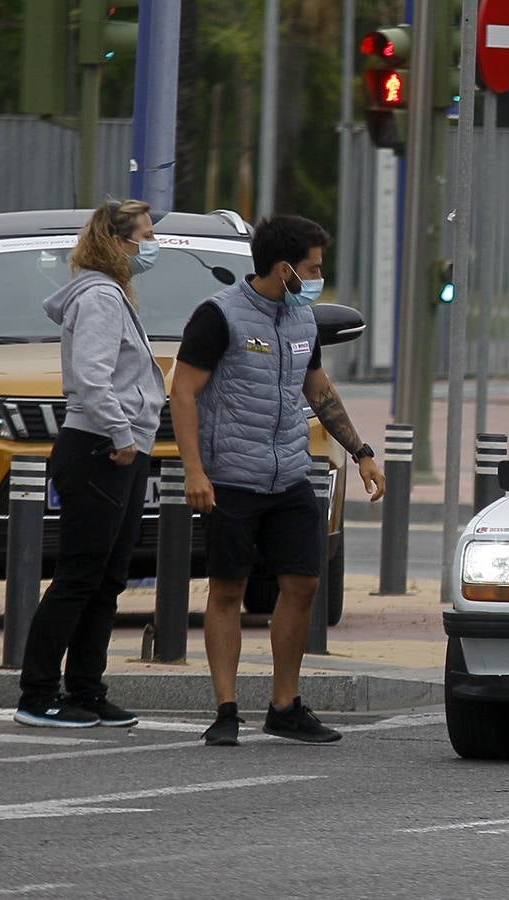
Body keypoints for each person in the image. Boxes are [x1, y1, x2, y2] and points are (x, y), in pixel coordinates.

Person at [169, 215, 385, 747]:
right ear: (285, 268)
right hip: (233, 478)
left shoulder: (302, 320)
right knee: (228, 591)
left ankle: (285, 705)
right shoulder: (219, 317)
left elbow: (320, 391)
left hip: (289, 474)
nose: (318, 276)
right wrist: (195, 470)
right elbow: (183, 392)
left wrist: (361, 452)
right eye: (312, 267)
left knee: (304, 583)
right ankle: (225, 708)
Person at [15, 200, 165, 729]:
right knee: (80, 574)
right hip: (101, 447)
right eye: (144, 236)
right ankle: (38, 694)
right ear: (116, 241)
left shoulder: (115, 296)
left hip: (121, 448)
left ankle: (86, 688)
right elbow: (92, 376)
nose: (151, 246)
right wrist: (123, 434)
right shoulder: (101, 297)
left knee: (108, 578)